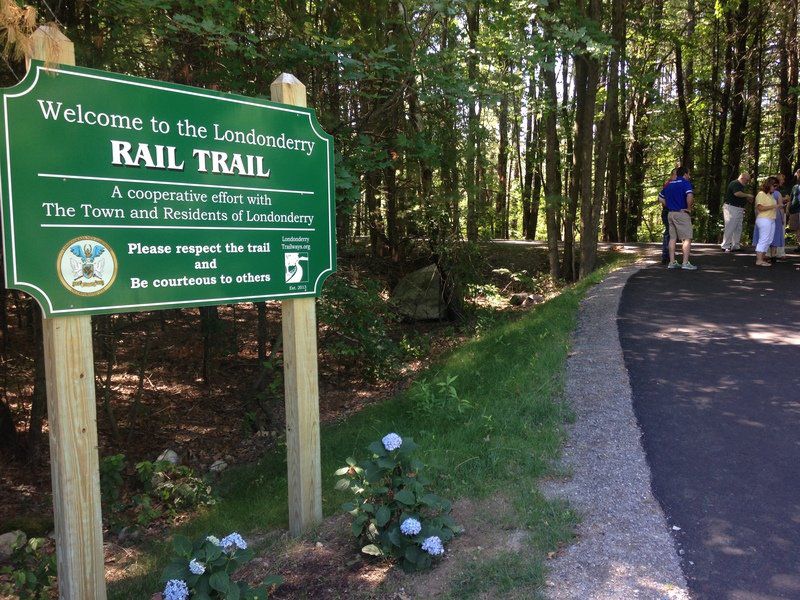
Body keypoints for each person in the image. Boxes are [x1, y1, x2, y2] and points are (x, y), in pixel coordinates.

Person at [662, 166, 697, 270]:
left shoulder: (669, 184)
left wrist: (669, 206)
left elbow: (660, 197)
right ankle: (685, 263)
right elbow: (689, 196)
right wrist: (689, 208)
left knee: (672, 238)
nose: (689, 176)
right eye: (689, 174)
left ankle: (672, 262)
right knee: (687, 238)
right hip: (681, 213)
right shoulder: (685, 183)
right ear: (685, 174)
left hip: (670, 214)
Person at [721, 172, 754, 251]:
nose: (747, 182)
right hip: (731, 208)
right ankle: (725, 245)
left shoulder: (741, 186)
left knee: (738, 227)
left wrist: (746, 199)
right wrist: (748, 195)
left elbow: (740, 195)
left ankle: (735, 245)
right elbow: (737, 194)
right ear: (742, 178)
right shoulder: (735, 183)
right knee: (730, 226)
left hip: (738, 208)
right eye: (747, 180)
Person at [754, 177, 778, 267]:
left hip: (771, 219)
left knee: (769, 240)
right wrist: (774, 206)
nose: (775, 188)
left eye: (777, 186)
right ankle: (759, 260)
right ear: (769, 184)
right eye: (774, 185)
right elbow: (760, 208)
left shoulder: (770, 195)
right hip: (764, 219)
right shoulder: (761, 194)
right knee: (763, 239)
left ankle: (762, 259)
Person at [658, 169, 677, 264]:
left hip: (673, 211)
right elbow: (660, 197)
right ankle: (666, 255)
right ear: (673, 175)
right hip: (668, 211)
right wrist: (669, 205)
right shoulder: (669, 184)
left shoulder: (676, 184)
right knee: (669, 232)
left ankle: (669, 254)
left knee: (671, 233)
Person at [789, 168, 800, 252]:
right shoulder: (795, 187)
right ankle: (799, 245)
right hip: (795, 210)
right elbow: (791, 198)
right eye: (798, 174)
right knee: (797, 228)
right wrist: (789, 208)